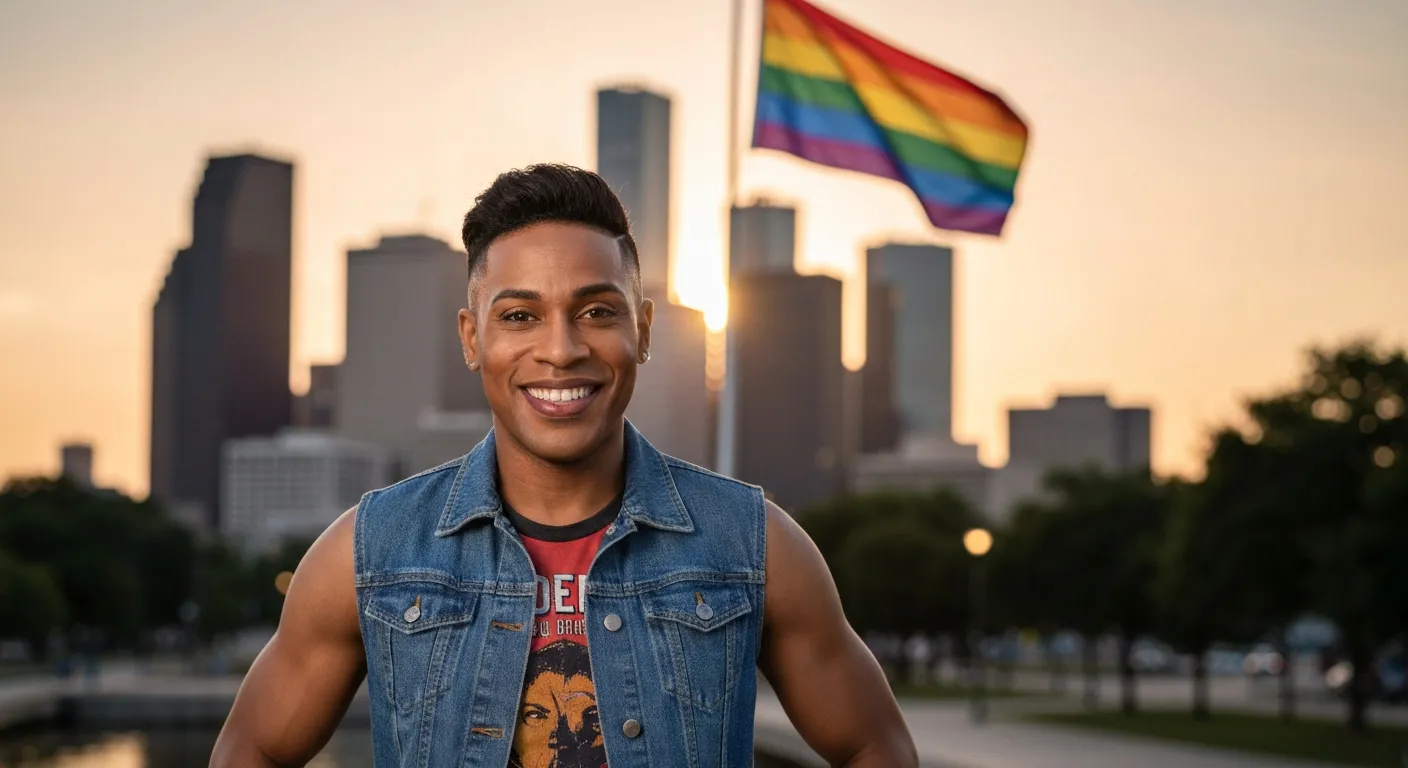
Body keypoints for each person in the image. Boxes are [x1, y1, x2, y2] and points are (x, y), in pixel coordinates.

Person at [210, 164, 917, 768]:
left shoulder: (752, 543)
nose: (560, 349)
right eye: (519, 316)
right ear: (472, 336)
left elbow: (873, 746)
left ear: (640, 330)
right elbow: (252, 749)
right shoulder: (370, 551)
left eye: (596, 312)